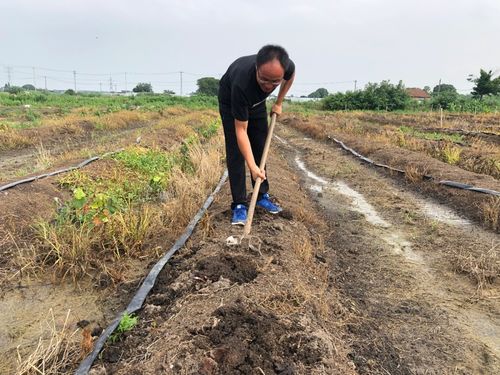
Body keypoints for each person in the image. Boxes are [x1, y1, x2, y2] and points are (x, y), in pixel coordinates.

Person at [218, 44, 295, 225]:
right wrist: (252, 167)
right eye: (264, 79)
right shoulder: (241, 84)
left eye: (274, 81)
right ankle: (239, 204)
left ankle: (261, 195)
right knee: (236, 151)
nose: (269, 86)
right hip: (232, 103)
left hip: (257, 103)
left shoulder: (287, 67)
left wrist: (279, 102)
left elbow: (290, 77)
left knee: (260, 145)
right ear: (256, 69)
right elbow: (241, 130)